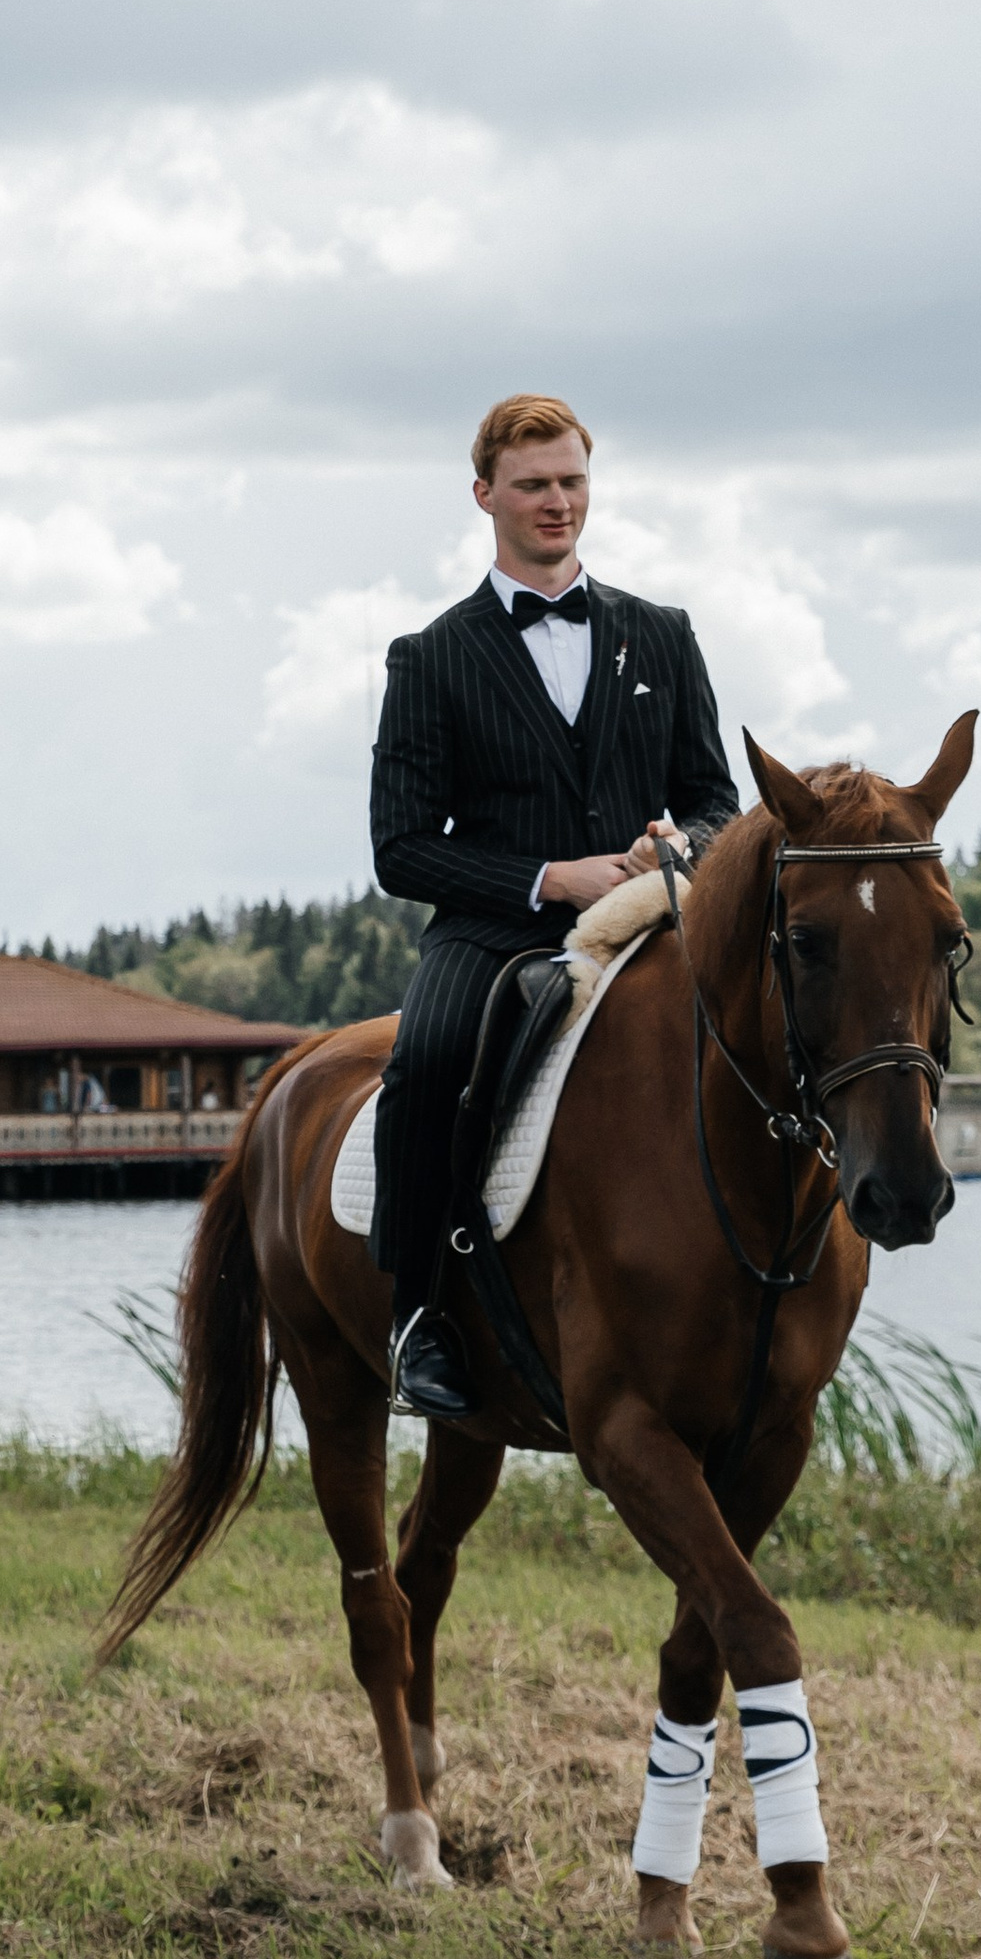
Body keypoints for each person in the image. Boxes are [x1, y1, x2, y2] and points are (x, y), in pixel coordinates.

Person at [367, 396, 739, 1418]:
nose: (556, 502)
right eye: (532, 484)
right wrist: (549, 877)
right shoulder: (429, 655)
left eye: (571, 481)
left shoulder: (662, 635)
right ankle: (417, 1319)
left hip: (644, 925)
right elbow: (399, 849)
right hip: (491, 931)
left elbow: (714, 798)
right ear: (484, 494)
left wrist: (681, 846)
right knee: (425, 1059)